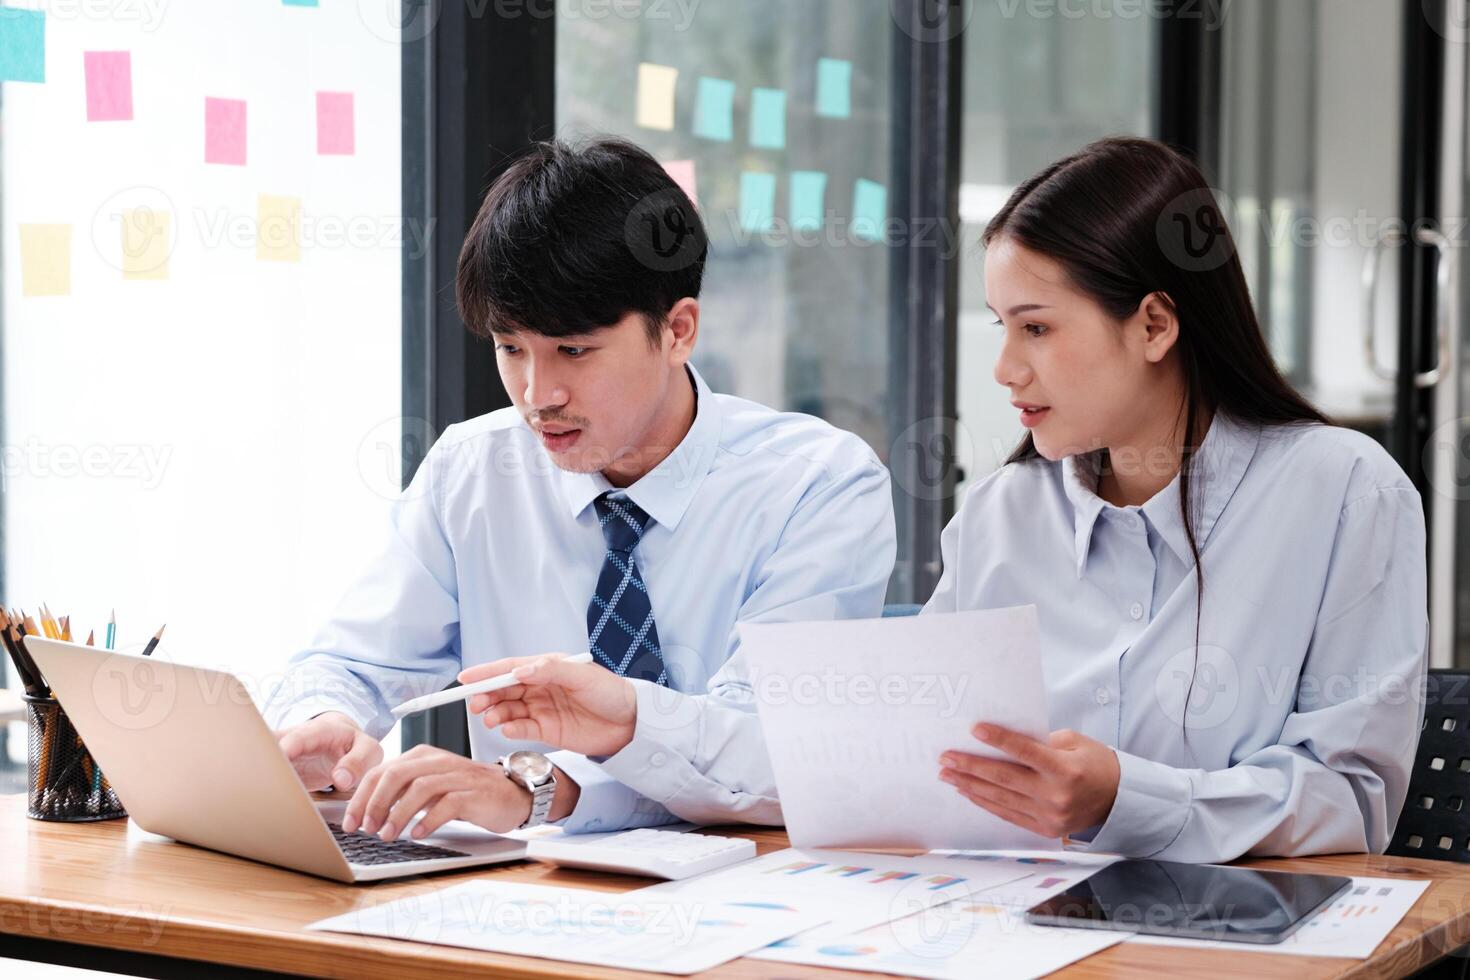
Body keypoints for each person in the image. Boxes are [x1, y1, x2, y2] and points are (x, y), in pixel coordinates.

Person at [466, 137, 1428, 864]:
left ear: (1155, 324)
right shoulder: (1007, 514)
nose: (1006, 369)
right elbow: (891, 761)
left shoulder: (1341, 493)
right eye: (1001, 326)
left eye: (1038, 329)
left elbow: (1354, 798)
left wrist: (1124, 799)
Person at [263, 136, 895, 841]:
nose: (538, 395)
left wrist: (535, 787)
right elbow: (352, 660)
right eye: (510, 348)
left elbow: (776, 749)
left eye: (573, 350)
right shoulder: (473, 470)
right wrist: (325, 722)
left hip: (751, 895)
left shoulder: (819, 486)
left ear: (678, 330)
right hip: (521, 898)